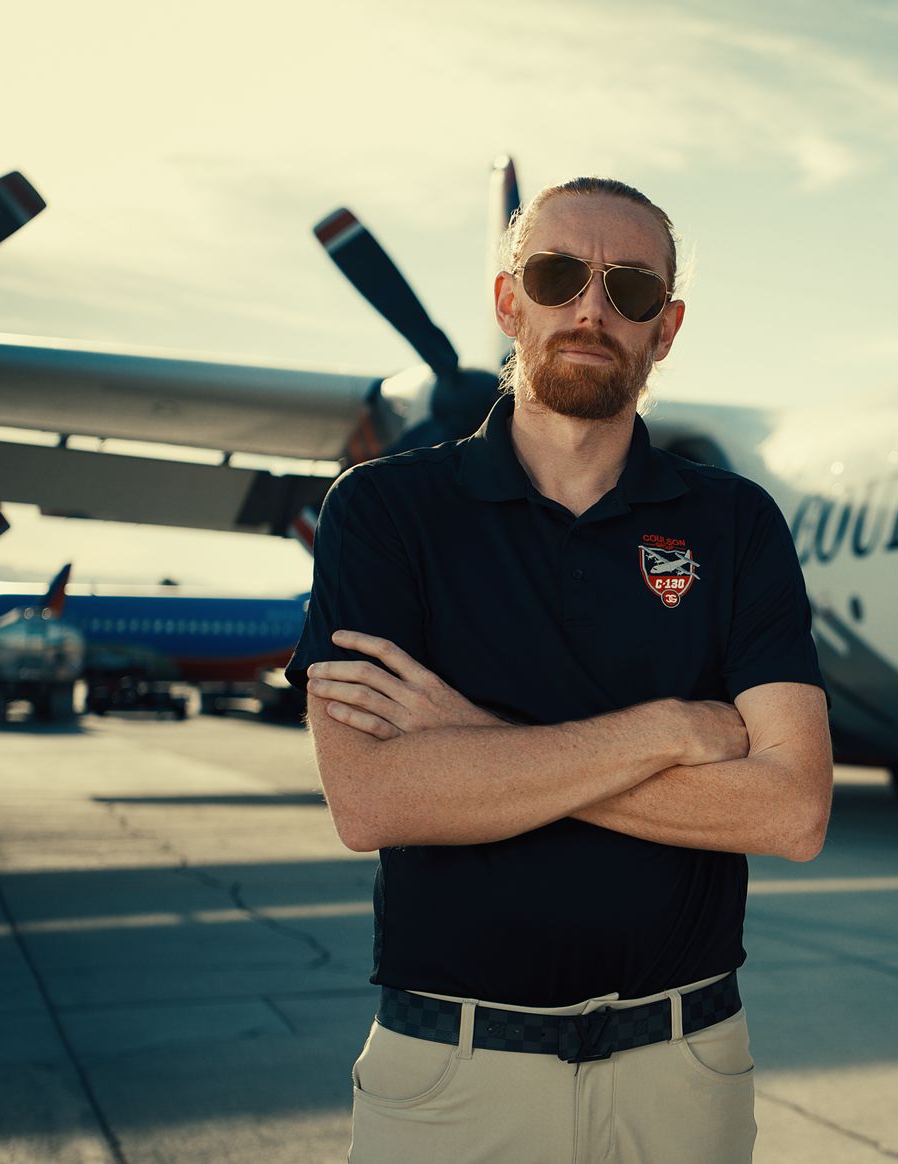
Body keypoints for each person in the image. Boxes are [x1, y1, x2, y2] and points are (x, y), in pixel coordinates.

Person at [288, 177, 832, 1163]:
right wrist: (668, 731)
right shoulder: (380, 511)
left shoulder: (735, 523)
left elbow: (789, 811)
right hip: (449, 1074)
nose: (590, 308)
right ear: (508, 302)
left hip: (685, 1068)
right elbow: (370, 799)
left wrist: (474, 748)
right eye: (556, 275)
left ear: (664, 329)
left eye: (629, 290)